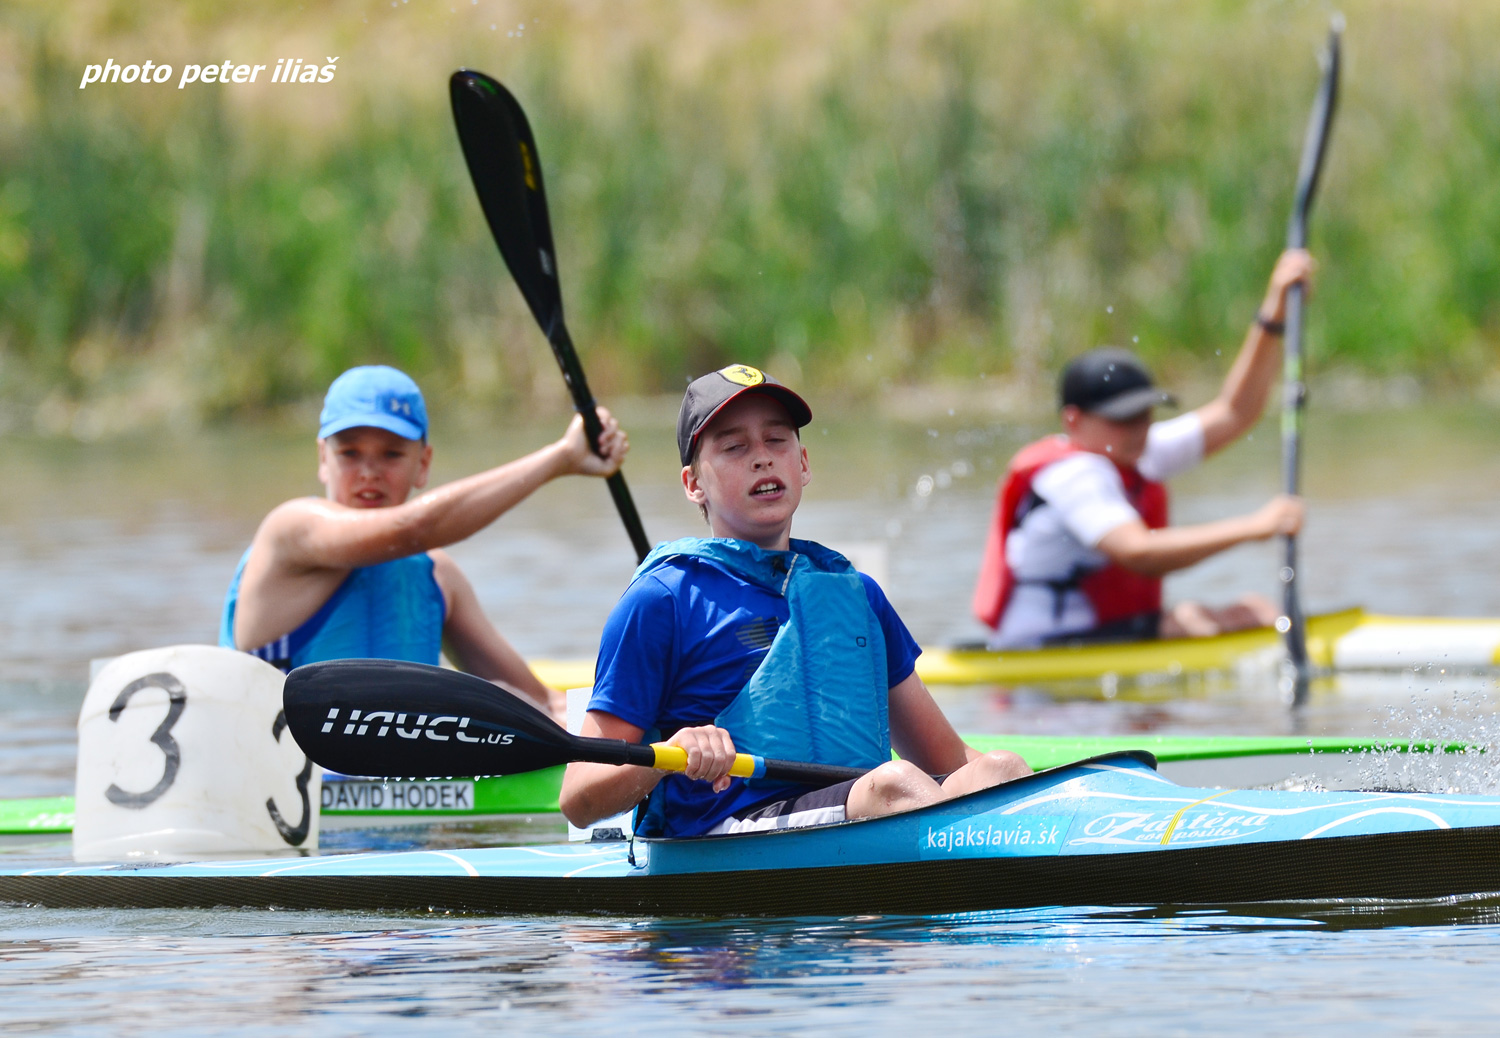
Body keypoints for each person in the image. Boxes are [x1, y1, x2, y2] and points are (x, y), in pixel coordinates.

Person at [559, 364, 1030, 838]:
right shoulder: (661, 601)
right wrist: (671, 755)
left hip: (866, 806)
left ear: (803, 463)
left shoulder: (857, 595)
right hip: (726, 831)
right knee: (894, 784)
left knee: (1000, 770)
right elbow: (578, 799)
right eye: (734, 446)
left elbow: (948, 762)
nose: (762, 459)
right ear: (693, 484)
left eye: (776, 440)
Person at [219, 364, 629, 716]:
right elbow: (410, 529)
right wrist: (561, 457)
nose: (369, 472)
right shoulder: (290, 533)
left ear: (423, 464)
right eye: (350, 453)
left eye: (392, 454)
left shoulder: (437, 578)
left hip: (410, 784)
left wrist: (638, 717)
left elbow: (540, 703)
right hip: (280, 790)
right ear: (323, 459)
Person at [973, 250, 1315, 650]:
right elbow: (1139, 553)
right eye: (1122, 418)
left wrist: (1273, 315)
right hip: (1044, 648)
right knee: (1199, 620)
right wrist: (1256, 526)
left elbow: (1236, 412)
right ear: (1073, 421)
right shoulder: (1073, 476)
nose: (1139, 428)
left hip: (1105, 634)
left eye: (1144, 414)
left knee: (1254, 611)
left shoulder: (1132, 450)